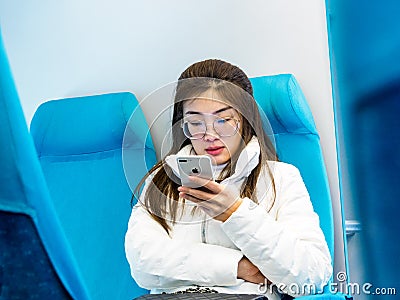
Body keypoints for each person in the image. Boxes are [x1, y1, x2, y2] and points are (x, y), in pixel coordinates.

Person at [125, 59, 332, 299]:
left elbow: (311, 276)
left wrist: (235, 213)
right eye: (195, 123)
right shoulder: (161, 181)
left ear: (245, 119)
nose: (210, 135)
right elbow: (143, 264)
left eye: (223, 120)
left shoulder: (280, 177)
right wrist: (238, 266)